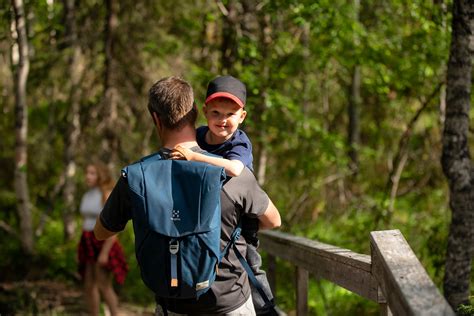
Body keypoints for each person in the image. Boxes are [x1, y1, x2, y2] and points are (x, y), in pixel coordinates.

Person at [94, 76, 281, 315]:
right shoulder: (234, 174)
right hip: (230, 303)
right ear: (196, 112)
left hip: (173, 305)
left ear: (155, 119)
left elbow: (101, 232)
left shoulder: (135, 177)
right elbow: (274, 220)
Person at [170, 75, 275, 315]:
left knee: (252, 268)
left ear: (242, 116)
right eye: (216, 113)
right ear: (205, 111)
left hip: (240, 226)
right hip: (203, 219)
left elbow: (235, 169)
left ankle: (267, 309)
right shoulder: (197, 136)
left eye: (230, 114)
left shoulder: (239, 144)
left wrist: (194, 157)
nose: (223, 120)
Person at [77, 161, 128, 316]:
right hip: (88, 241)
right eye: (87, 173)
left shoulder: (105, 193)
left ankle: (115, 313)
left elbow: (113, 226)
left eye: (92, 173)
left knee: (103, 284)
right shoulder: (87, 194)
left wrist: (105, 252)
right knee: (88, 284)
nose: (88, 176)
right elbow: (86, 221)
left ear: (100, 175)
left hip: (103, 242)